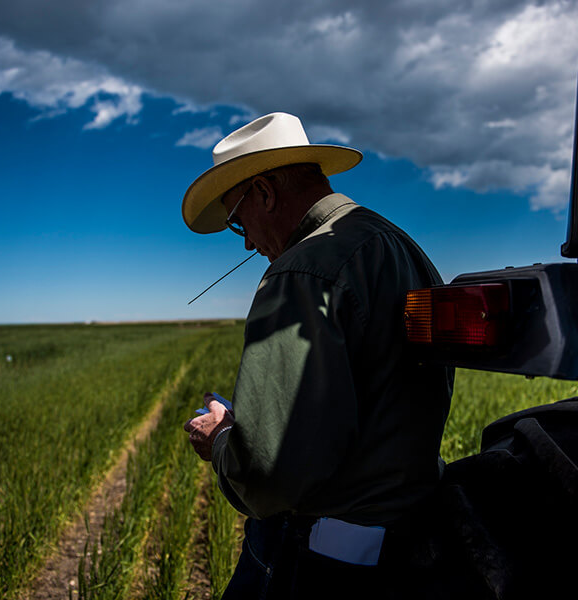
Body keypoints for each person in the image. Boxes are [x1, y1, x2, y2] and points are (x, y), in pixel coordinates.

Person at [182, 112, 453, 598]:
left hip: (324, 554)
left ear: (264, 192)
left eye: (238, 221)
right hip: (412, 539)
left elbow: (268, 473)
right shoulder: (398, 244)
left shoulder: (301, 271)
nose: (245, 240)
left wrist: (222, 437)